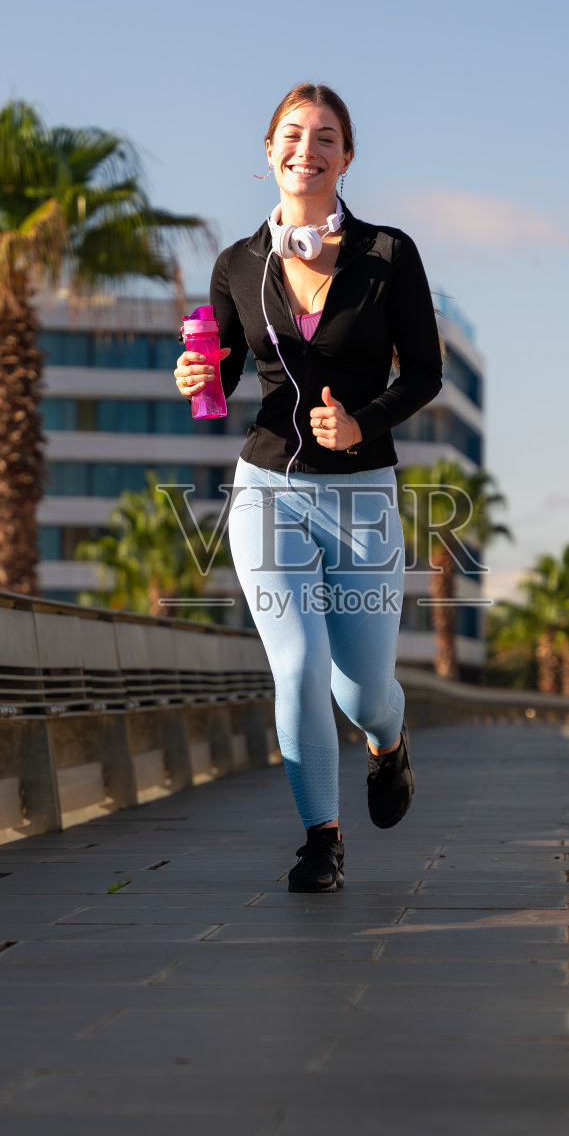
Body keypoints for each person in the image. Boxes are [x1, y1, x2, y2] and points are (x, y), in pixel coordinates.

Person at [173, 83, 443, 891]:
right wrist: (195, 372)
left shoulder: (388, 253)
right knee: (296, 666)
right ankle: (320, 841)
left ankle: (388, 747)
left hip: (362, 493)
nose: (307, 148)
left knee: (362, 691)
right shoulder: (238, 264)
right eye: (293, 135)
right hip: (267, 487)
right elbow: (215, 369)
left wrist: (364, 421)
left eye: (326, 137)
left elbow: (425, 373)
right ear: (268, 151)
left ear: (346, 157)